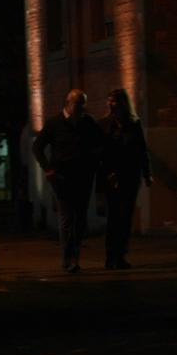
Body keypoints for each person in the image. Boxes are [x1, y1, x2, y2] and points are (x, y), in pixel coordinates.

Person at [32, 89, 103, 273]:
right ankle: (69, 256)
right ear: (69, 104)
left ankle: (73, 256)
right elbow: (38, 146)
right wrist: (47, 168)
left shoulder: (88, 122)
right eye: (78, 105)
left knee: (78, 217)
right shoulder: (55, 123)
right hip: (61, 177)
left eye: (83, 105)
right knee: (66, 216)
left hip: (83, 176)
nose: (81, 109)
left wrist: (93, 165)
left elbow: (100, 145)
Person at [98, 89, 152, 270]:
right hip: (111, 177)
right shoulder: (105, 124)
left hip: (129, 176)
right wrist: (106, 173)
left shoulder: (133, 124)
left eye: (114, 101)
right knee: (114, 217)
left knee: (126, 217)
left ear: (123, 104)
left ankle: (120, 255)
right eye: (109, 101)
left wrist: (147, 174)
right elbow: (100, 153)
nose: (111, 105)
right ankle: (110, 255)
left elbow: (141, 150)